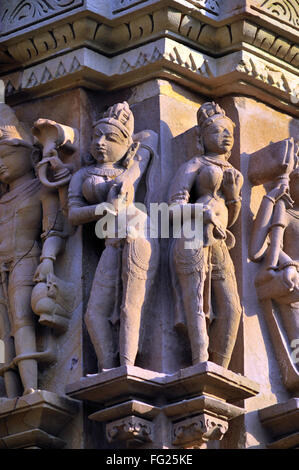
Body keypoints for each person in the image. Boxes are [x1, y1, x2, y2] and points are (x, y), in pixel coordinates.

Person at [68, 102, 159, 370]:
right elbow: (73, 214)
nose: (100, 143)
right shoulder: (83, 174)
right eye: (96, 136)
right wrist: (105, 208)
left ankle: (126, 369)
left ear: (127, 146)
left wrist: (130, 172)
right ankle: (108, 368)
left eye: (111, 138)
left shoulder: (130, 170)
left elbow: (150, 138)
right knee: (94, 314)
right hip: (110, 242)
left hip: (137, 235)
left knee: (130, 308)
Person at [0, 103, 68, 396]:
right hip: (2, 264)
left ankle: (29, 388)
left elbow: (54, 229)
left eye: (5, 156)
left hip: (26, 259)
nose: (0, 164)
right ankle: (9, 393)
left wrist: (48, 260)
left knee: (21, 320)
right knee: (2, 331)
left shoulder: (41, 189)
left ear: (29, 154)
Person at [169, 102, 243, 368]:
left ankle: (221, 368)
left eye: (229, 132)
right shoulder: (194, 164)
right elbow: (173, 209)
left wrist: (233, 198)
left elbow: (231, 221)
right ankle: (200, 362)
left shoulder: (233, 172)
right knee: (196, 302)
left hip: (219, 240)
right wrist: (202, 212)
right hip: (192, 236)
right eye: (217, 131)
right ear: (200, 138)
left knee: (233, 308)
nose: (225, 136)